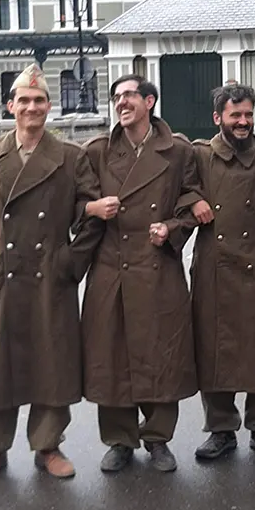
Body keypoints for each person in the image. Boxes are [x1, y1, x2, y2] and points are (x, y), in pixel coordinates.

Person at [0, 64, 103, 483]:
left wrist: (69, 262)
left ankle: (48, 446)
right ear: (11, 106)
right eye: (24, 100)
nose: (31, 107)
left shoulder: (70, 158)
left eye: (39, 101)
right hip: (0, 277)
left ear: (49, 107)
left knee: (51, 363)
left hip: (48, 275)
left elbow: (92, 214)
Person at [80, 74, 204, 473]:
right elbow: (75, 199)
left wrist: (171, 227)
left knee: (161, 354)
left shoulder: (179, 151)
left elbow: (193, 201)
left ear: (150, 101)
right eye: (116, 97)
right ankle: (119, 439)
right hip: (111, 267)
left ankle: (158, 439)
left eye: (130, 95)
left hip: (157, 267)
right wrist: (92, 209)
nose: (121, 103)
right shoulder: (98, 151)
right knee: (112, 356)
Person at [188, 84, 255, 463]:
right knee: (213, 348)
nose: (243, 122)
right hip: (214, 264)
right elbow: (179, 190)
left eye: (248, 114)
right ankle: (220, 430)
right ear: (218, 118)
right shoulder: (199, 155)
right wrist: (193, 200)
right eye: (235, 116)